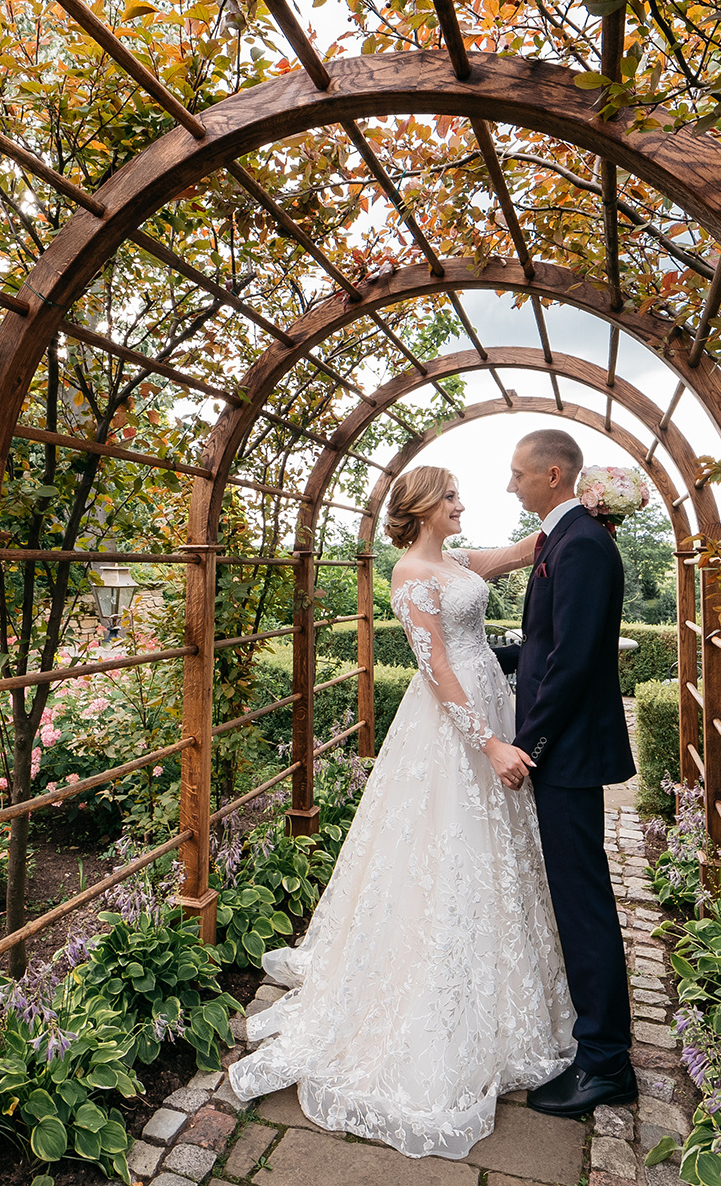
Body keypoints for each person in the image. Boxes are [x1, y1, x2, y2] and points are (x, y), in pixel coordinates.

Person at [227, 465, 576, 1159]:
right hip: (456, 727)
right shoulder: (410, 573)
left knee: (495, 856)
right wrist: (488, 744)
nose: (462, 502)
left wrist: (584, 508)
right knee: (440, 855)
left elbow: (522, 551)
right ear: (421, 508)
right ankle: (425, 1015)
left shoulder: (454, 560)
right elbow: (436, 665)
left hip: (492, 705)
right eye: (452, 496)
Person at [498, 428, 638, 1117]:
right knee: (577, 897)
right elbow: (549, 639)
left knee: (583, 905)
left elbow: (576, 661)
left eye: (518, 474)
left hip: (569, 752)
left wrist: (530, 743)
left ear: (553, 475)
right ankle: (600, 1049)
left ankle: (606, 1061)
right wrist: (503, 657)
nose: (511, 485)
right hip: (569, 748)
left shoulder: (581, 543)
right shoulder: (566, 537)